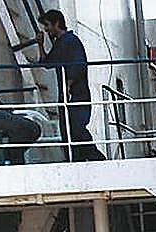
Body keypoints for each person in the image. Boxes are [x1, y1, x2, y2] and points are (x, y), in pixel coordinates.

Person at [36, 9, 105, 161]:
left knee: (76, 129)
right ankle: (78, 161)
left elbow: (78, 65)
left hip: (76, 94)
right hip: (67, 95)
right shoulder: (61, 43)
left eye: (47, 25)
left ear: (56, 23)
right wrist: (40, 45)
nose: (46, 29)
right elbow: (47, 63)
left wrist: (68, 85)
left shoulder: (71, 41)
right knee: (68, 131)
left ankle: (96, 159)